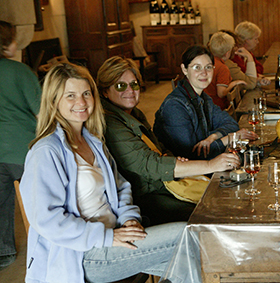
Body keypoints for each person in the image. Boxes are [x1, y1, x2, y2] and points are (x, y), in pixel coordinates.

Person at [20, 62, 266, 283]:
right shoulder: (46, 151)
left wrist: (128, 218)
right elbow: (45, 220)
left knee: (190, 264)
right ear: (53, 101)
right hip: (84, 255)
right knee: (188, 234)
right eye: (70, 96)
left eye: (86, 94)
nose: (81, 102)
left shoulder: (91, 141)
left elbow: (121, 186)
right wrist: (107, 235)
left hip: (117, 239)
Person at [97, 56, 240, 225]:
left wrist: (172, 157)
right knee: (219, 209)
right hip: (150, 197)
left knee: (230, 192)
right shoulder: (112, 123)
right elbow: (149, 165)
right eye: (121, 86)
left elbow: (159, 147)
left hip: (166, 183)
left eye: (134, 84)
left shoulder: (133, 113)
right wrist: (211, 164)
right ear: (105, 91)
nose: (130, 90)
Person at [154, 45, 257, 160]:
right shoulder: (174, 106)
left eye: (208, 67)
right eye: (197, 67)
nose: (204, 73)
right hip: (187, 174)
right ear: (184, 69)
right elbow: (192, 154)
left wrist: (212, 137)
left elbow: (231, 123)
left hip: (207, 163)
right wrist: (228, 138)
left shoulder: (203, 97)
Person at [0, 21, 42, 271]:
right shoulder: (20, 71)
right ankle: (45, 245)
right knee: (38, 200)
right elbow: (41, 111)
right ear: (7, 43)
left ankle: (4, 252)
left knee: (1, 203)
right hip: (23, 149)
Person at [206, 32, 247, 110]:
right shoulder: (222, 68)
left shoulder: (206, 61)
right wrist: (233, 83)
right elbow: (221, 93)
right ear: (227, 53)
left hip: (204, 105)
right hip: (217, 108)